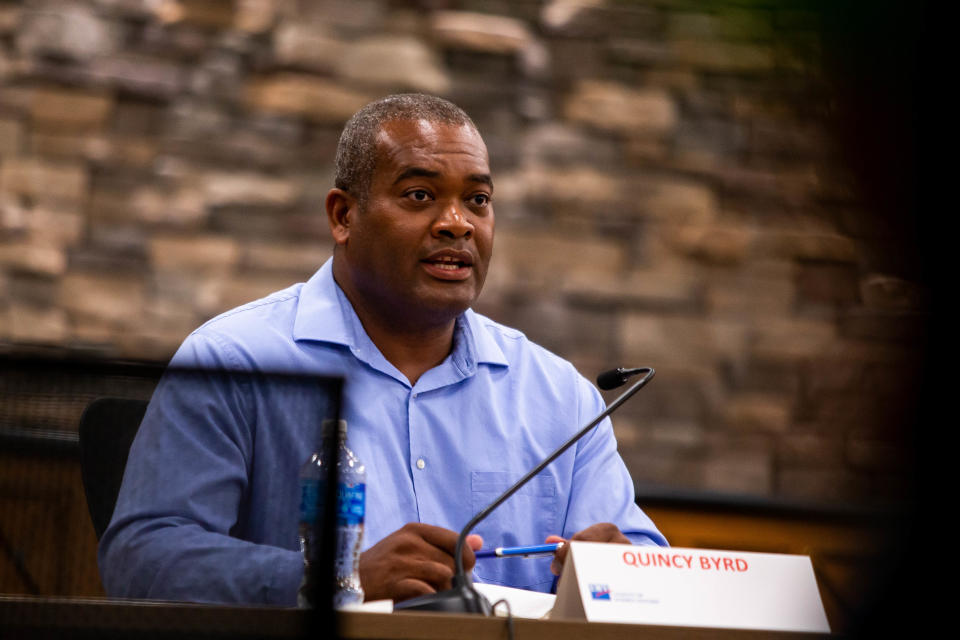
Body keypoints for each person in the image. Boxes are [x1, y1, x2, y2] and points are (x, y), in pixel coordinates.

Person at [99, 94, 667, 606]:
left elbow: (644, 563)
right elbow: (143, 558)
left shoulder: (558, 395)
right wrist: (337, 578)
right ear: (343, 216)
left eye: (478, 200)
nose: (457, 224)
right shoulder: (236, 360)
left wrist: (616, 570)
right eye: (420, 195)